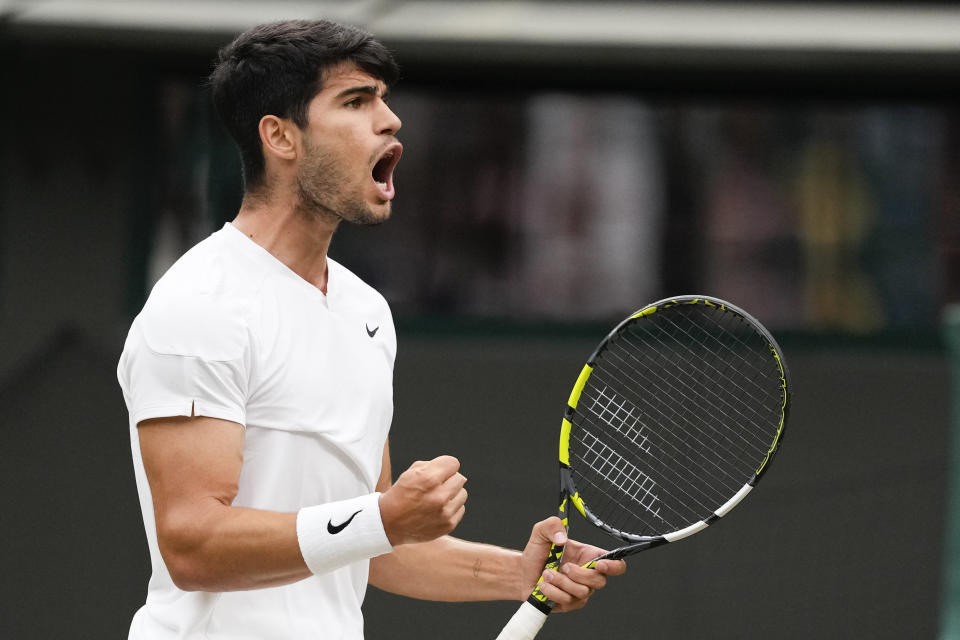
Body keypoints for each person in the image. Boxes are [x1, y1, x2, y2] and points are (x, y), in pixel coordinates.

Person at [117, 19, 626, 639]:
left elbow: (377, 547)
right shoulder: (200, 306)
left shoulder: (365, 313)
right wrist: (382, 519)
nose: (391, 120)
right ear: (280, 137)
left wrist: (517, 575)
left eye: (384, 99)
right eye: (356, 101)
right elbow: (191, 546)